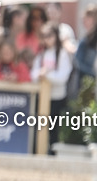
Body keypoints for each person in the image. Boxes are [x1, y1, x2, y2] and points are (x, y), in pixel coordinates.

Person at [31, 22, 73, 154]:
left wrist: (47, 75)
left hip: (57, 97)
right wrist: (41, 74)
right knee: (39, 126)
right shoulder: (42, 54)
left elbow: (62, 77)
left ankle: (52, 152)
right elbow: (33, 74)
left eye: (50, 35)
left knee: (54, 129)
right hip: (43, 97)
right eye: (44, 36)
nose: (47, 39)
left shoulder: (62, 54)